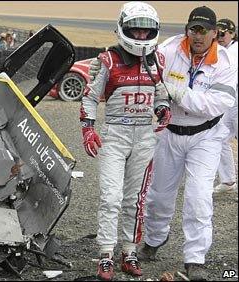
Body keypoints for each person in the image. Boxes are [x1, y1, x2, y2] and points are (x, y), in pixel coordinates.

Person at [137, 6, 237, 281]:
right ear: (187, 29)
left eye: (204, 30)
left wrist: (180, 93)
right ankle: (154, 241)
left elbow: (216, 104)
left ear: (215, 33)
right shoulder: (169, 50)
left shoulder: (226, 63)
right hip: (168, 133)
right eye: (194, 29)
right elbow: (145, 68)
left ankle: (195, 258)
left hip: (205, 137)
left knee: (198, 197)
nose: (198, 35)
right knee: (158, 196)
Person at [80, 2, 170, 280]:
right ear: (124, 29)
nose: (142, 37)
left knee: (135, 200)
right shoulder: (108, 60)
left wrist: (163, 108)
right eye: (136, 31)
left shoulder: (158, 60)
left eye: (146, 32)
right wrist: (88, 129)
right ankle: (106, 254)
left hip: (145, 135)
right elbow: (90, 96)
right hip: (115, 135)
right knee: (111, 198)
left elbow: (161, 92)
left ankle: (129, 251)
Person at [213, 18, 238, 195]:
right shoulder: (220, 50)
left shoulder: (234, 51)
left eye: (223, 33)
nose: (220, 37)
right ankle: (228, 180)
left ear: (232, 34)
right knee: (220, 137)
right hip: (228, 101)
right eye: (217, 33)